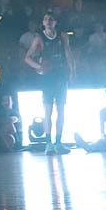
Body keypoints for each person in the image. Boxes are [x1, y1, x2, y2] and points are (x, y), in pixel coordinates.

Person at [24, 11, 74, 154]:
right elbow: (27, 58)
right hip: (48, 77)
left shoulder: (62, 36)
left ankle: (58, 142)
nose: (49, 21)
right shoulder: (39, 38)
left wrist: (72, 71)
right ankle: (48, 143)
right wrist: (39, 67)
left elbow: (68, 53)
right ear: (43, 23)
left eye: (51, 19)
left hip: (61, 75)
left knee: (61, 110)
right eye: (46, 19)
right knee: (48, 111)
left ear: (55, 22)